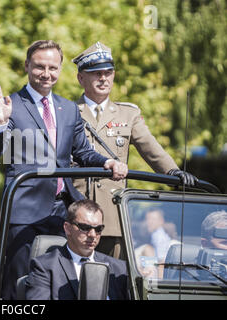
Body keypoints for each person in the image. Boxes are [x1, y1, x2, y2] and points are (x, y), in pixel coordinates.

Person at [0, 39, 128, 300]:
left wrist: (107, 162)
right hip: (25, 210)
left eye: (53, 67)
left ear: (61, 69)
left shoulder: (68, 108)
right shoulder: (11, 105)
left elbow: (82, 152)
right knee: (20, 283)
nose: (46, 74)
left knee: (61, 281)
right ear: (27, 66)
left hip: (63, 209)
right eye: (39, 67)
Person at [71, 41, 199, 259]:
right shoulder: (68, 111)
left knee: (112, 278)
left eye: (108, 72)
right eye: (96, 73)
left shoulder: (127, 114)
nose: (103, 78)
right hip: (76, 208)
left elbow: (150, 147)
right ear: (81, 78)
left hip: (111, 215)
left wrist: (172, 171)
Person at [25, 199, 130, 300]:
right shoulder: (45, 267)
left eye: (98, 229)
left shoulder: (119, 269)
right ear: (67, 228)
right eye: (85, 227)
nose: (92, 235)